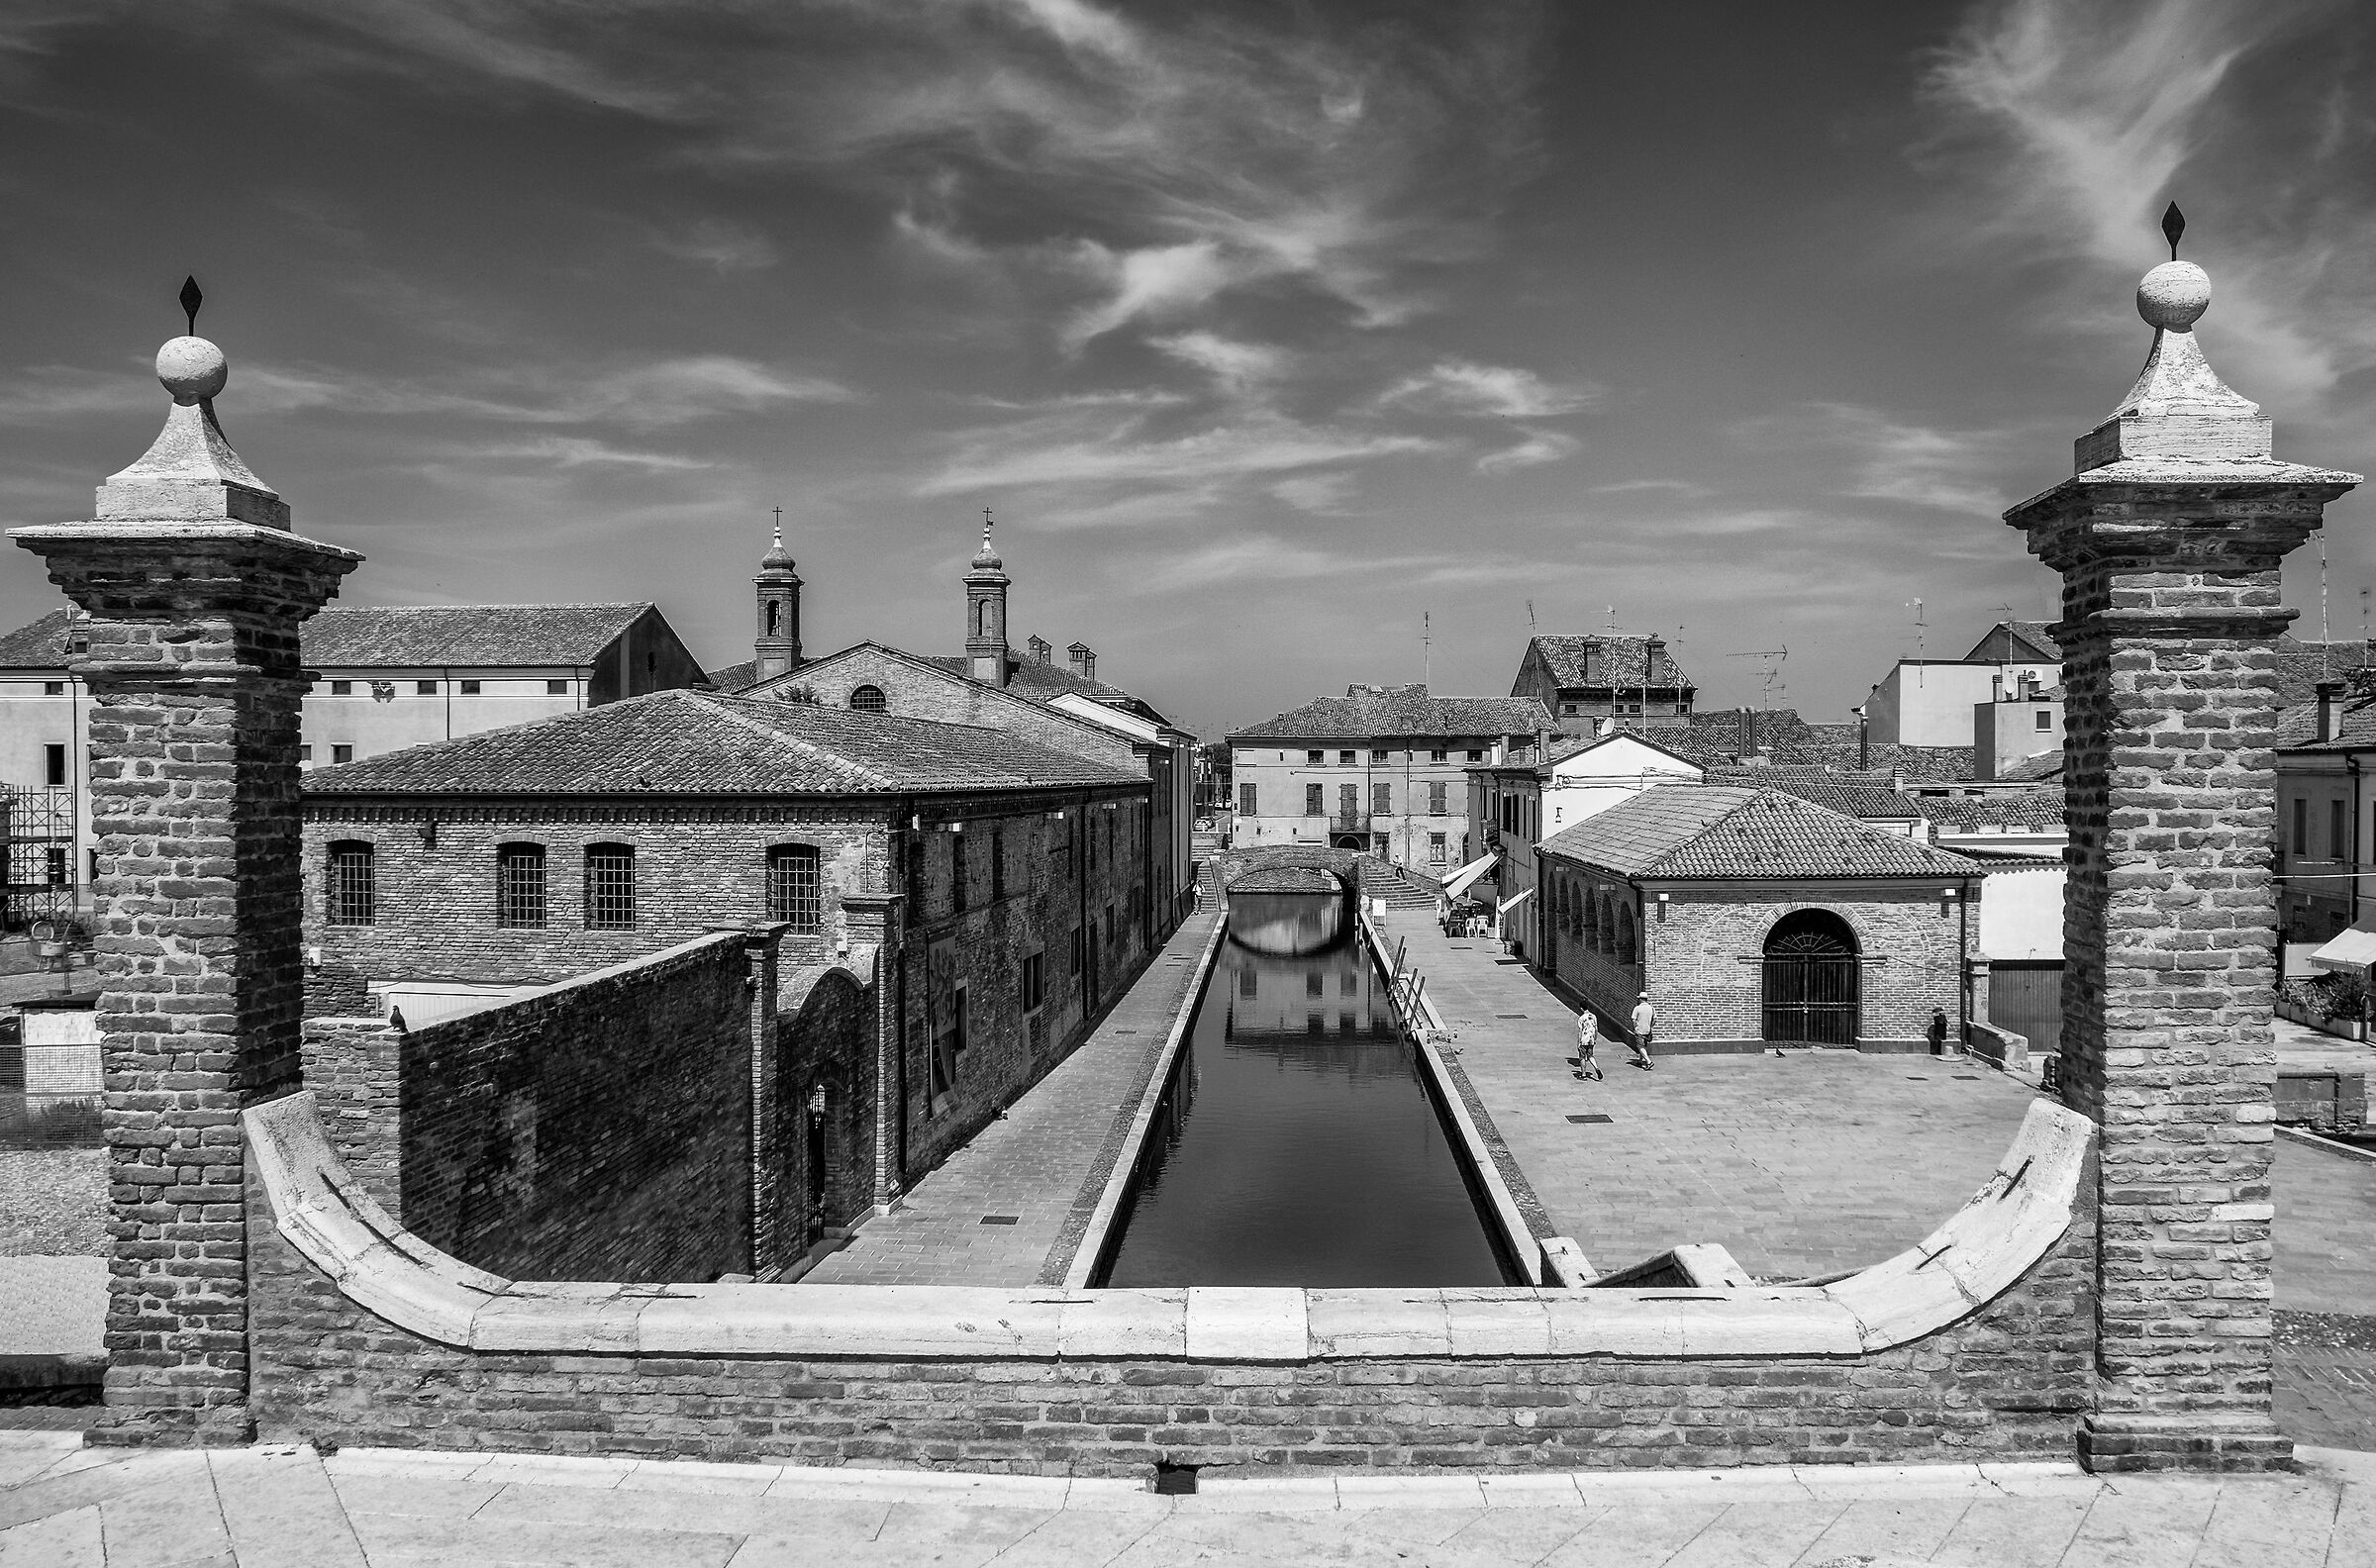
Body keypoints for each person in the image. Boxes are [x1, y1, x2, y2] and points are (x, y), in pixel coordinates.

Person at [1629, 992, 1656, 1069]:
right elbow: (1655, 1019)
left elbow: (1634, 1020)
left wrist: (1635, 1028)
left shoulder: (1637, 1008)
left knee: (1640, 1046)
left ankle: (1649, 1062)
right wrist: (1651, 1027)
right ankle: (1640, 1061)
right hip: (1648, 1030)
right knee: (1644, 1045)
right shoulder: (1651, 1008)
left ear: (1640, 999)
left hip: (1640, 1030)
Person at [1574, 1009, 1602, 1081]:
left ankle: (1583, 1075)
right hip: (1591, 1039)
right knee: (1590, 1056)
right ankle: (1596, 1068)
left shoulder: (1581, 1018)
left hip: (1584, 1040)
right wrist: (1595, 1039)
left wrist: (1578, 1042)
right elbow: (1596, 1029)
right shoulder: (1593, 1016)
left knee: (1582, 1057)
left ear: (1581, 1008)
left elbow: (1580, 1031)